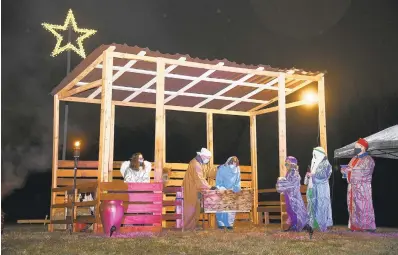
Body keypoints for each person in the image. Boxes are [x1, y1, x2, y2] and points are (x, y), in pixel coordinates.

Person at [341, 138, 376, 232]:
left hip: (362, 188)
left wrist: (351, 171)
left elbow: (364, 172)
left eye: (357, 147)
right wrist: (345, 170)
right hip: (352, 187)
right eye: (355, 147)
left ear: (363, 148)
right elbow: (348, 169)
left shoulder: (368, 160)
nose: (355, 149)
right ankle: (355, 226)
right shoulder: (353, 159)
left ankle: (366, 226)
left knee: (363, 206)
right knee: (352, 206)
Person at [182, 148, 217, 230]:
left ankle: (193, 226)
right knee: (190, 209)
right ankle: (187, 228)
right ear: (203, 156)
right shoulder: (196, 164)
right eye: (208, 158)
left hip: (195, 189)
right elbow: (199, 179)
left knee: (196, 208)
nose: (208, 160)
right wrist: (210, 187)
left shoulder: (200, 163)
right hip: (191, 189)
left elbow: (206, 172)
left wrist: (217, 169)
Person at [276, 156, 312, 234]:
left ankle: (298, 225)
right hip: (289, 195)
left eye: (287, 163)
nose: (286, 165)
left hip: (294, 196)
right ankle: (293, 225)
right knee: (290, 209)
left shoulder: (294, 173)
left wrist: (281, 181)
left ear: (292, 164)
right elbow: (288, 183)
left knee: (296, 210)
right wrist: (283, 181)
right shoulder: (289, 172)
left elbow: (291, 184)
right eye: (285, 163)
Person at [304, 147, 333, 232]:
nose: (314, 155)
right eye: (313, 154)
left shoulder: (325, 163)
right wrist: (308, 175)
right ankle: (312, 224)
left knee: (322, 205)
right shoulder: (314, 162)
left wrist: (313, 175)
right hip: (312, 187)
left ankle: (322, 224)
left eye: (315, 154)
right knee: (312, 206)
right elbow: (310, 176)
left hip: (321, 188)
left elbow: (324, 175)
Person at [215, 156, 241, 230]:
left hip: (232, 190)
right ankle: (221, 224)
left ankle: (230, 224)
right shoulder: (222, 169)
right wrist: (221, 188)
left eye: (235, 164)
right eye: (232, 163)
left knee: (232, 205)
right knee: (221, 205)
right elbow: (218, 181)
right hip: (222, 189)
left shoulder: (237, 169)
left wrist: (236, 188)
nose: (233, 165)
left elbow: (238, 181)